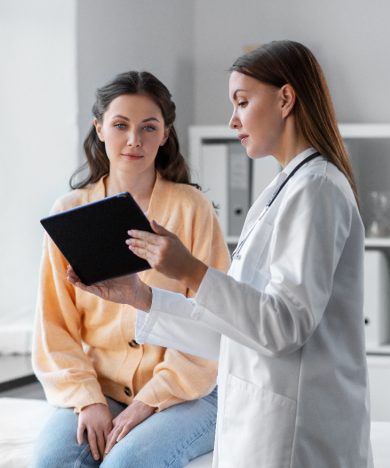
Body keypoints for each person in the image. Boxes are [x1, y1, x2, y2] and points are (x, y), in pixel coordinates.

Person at [69, 41, 373, 467]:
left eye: (242, 102)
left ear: (285, 98)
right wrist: (143, 297)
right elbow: (237, 329)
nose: (232, 120)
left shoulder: (316, 190)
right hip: (260, 422)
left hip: (297, 436)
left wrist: (190, 271)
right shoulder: (284, 190)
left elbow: (283, 327)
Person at [31, 71, 230, 468]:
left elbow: (213, 320)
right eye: (120, 125)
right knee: (53, 462)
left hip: (188, 390)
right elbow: (54, 327)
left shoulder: (192, 209)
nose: (134, 140)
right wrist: (88, 399)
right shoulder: (69, 213)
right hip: (99, 386)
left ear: (165, 135)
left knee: (126, 464)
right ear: (99, 128)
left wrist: (146, 403)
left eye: (148, 128)